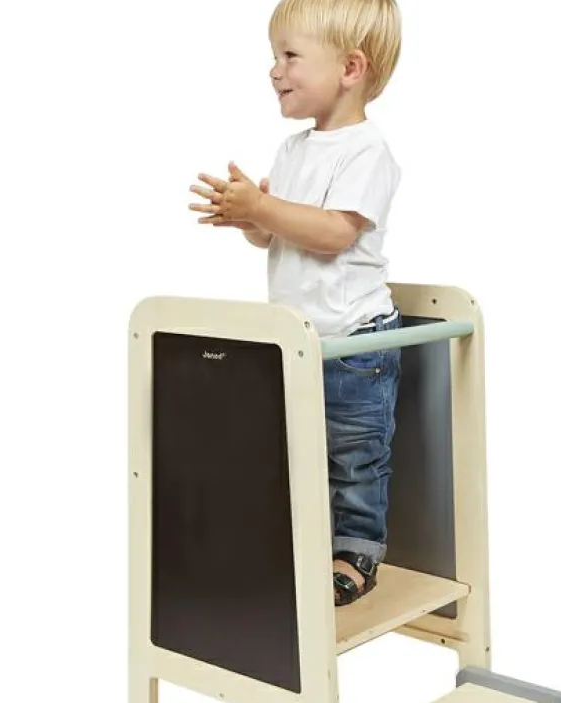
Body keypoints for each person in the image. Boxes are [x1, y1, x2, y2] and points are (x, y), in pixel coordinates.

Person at [189, 0, 403, 606]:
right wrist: (251, 221)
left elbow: (334, 234)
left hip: (355, 344)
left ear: (350, 68)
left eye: (289, 56)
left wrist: (264, 208)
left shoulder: (367, 151)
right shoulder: (292, 151)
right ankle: (303, 545)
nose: (274, 70)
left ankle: (357, 553)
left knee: (354, 456)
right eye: (274, 56)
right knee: (294, 450)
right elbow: (280, 235)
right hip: (299, 341)